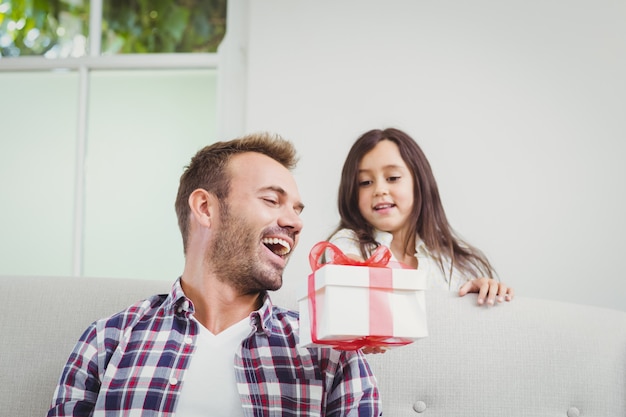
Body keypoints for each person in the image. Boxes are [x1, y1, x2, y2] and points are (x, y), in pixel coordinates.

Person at [47, 133, 382, 416]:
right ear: (206, 208)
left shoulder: (329, 351)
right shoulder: (107, 341)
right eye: (271, 199)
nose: (295, 223)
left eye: (296, 209)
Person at [328, 128, 514, 307]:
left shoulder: (456, 263)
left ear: (420, 183)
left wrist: (483, 291)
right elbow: (347, 271)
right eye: (365, 182)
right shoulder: (347, 242)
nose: (379, 190)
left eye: (392, 178)